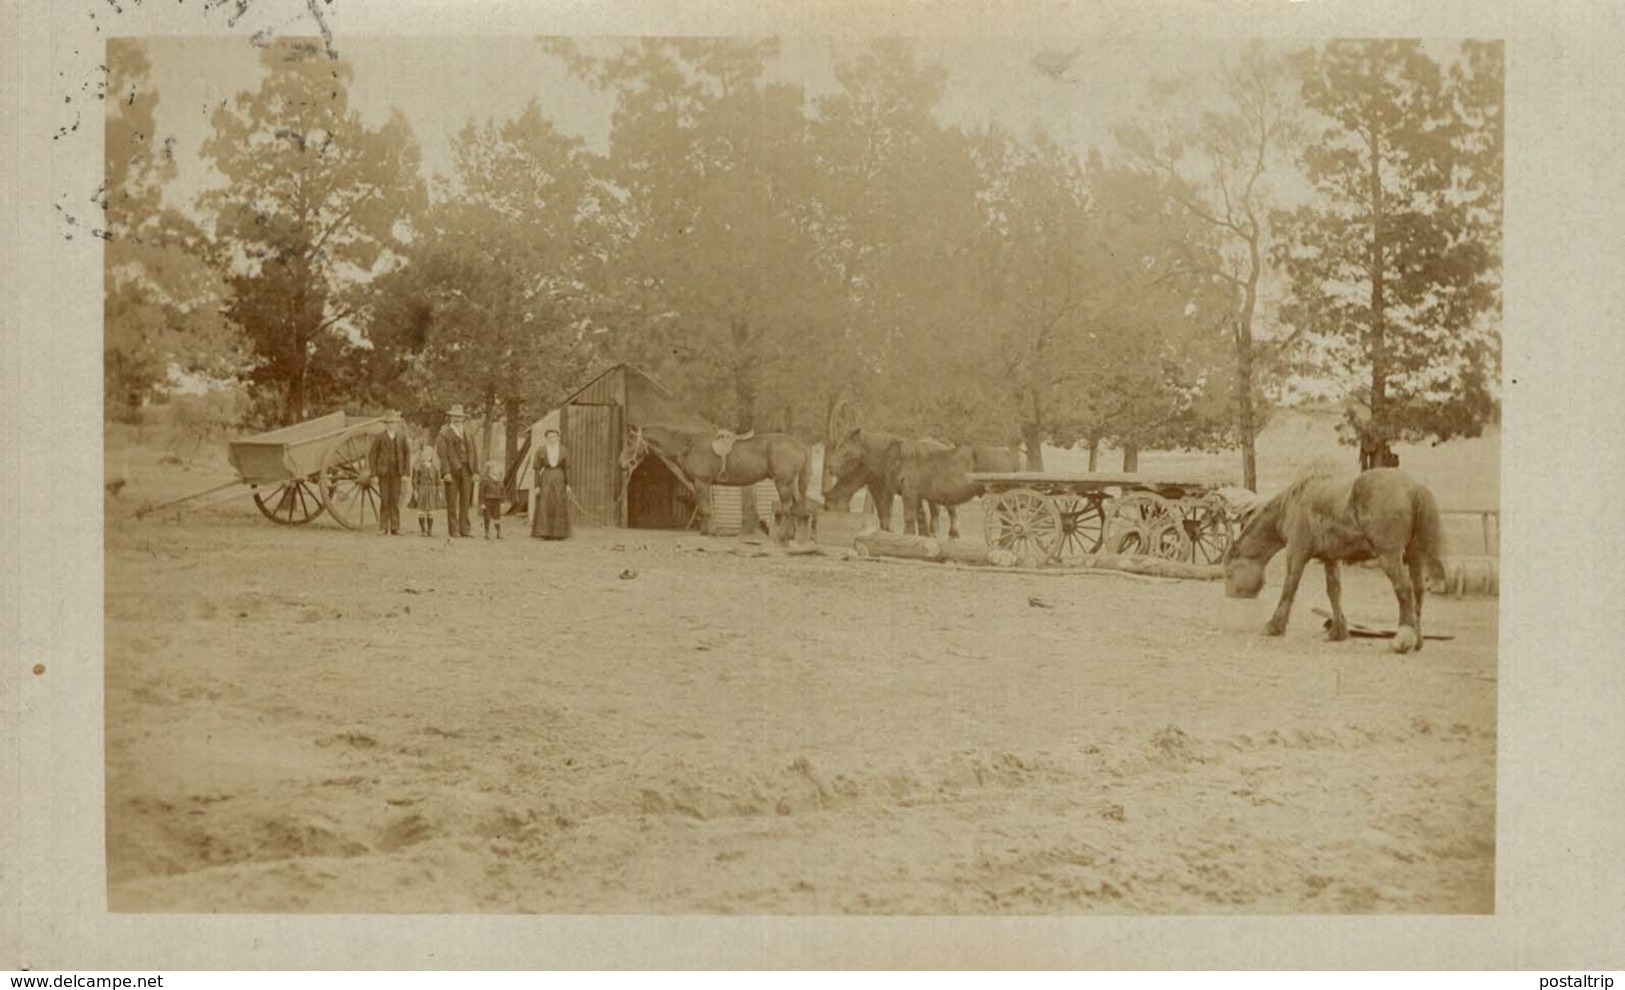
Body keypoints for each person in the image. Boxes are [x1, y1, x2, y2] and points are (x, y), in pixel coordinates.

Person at [435, 403, 478, 538]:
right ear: (450, 418)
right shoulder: (444, 434)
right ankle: (454, 530)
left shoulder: (468, 433)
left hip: (467, 470)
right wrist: (446, 472)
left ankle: (465, 529)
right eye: (455, 417)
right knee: (452, 501)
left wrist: (475, 471)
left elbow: (473, 453)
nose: (457, 419)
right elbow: (442, 455)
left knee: (466, 500)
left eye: (460, 417)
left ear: (463, 419)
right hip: (452, 472)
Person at [366, 411, 412, 536]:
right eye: (389, 423)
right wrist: (374, 474)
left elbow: (407, 455)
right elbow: (372, 455)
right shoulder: (380, 437)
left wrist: (406, 473)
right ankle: (383, 527)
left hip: (397, 472)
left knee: (395, 500)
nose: (391, 425)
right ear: (386, 424)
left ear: (397, 424)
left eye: (394, 423)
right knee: (385, 500)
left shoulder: (402, 436)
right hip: (383, 473)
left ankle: (395, 527)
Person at [531, 427, 570, 540]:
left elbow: (567, 468)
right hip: (546, 477)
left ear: (558, 438)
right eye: (549, 437)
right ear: (546, 438)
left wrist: (567, 484)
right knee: (545, 503)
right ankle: (545, 532)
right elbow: (537, 469)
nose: (552, 439)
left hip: (559, 477)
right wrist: (537, 485)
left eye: (554, 436)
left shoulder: (563, 450)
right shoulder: (541, 450)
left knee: (559, 502)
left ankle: (559, 533)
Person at [409, 445, 443, 536]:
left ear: (431, 456)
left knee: (430, 511)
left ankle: (430, 530)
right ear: (422, 455)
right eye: (425, 454)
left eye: (429, 454)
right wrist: (415, 490)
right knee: (422, 511)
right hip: (422, 490)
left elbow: (438, 481)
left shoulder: (435, 468)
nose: (427, 456)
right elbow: (415, 480)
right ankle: (423, 530)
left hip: (432, 491)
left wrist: (439, 491)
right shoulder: (417, 467)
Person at [479, 458, 506, 539]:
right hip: (488, 501)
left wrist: (503, 501)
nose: (496, 469)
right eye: (494, 468)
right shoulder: (485, 480)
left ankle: (498, 533)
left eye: (497, 468)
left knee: (497, 517)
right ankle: (487, 533)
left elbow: (502, 491)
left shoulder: (499, 481)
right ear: (489, 470)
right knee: (487, 517)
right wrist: (482, 503)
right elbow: (481, 493)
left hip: (497, 501)